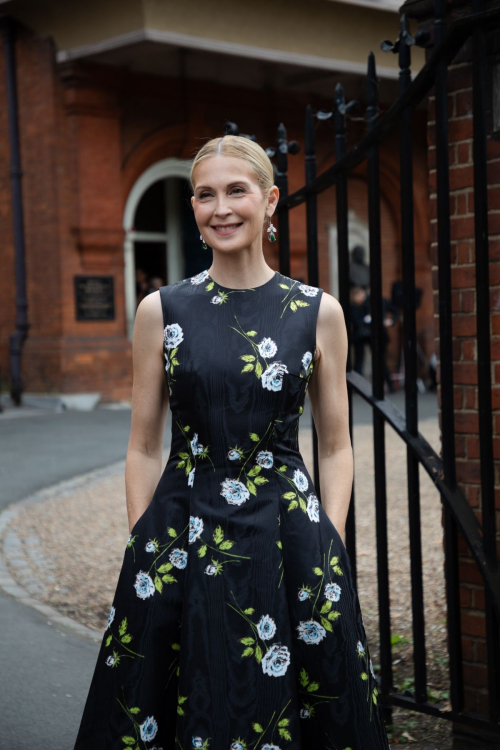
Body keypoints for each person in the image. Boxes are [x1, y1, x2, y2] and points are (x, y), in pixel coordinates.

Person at [73, 135, 390, 749]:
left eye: (236, 191)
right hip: (181, 532)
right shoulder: (159, 310)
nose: (220, 208)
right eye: (204, 194)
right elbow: (143, 444)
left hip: (289, 534)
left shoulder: (317, 310)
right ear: (193, 207)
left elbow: (336, 445)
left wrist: (332, 537)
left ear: (270, 202)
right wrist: (143, 539)